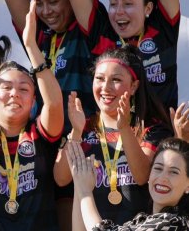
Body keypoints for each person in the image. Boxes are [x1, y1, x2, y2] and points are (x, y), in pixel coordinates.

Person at [0, 0, 64, 230]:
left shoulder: (39, 136)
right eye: (6, 88)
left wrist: (31, 46)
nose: (14, 93)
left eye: (24, 89)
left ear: (34, 100)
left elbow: (55, 104)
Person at [43, 0, 181, 112]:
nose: (119, 11)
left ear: (148, 8)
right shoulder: (100, 30)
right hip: (107, 135)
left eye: (128, 4)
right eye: (113, 4)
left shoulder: (162, 28)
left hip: (157, 134)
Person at [54, 45, 173, 224]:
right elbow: (61, 178)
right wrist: (76, 132)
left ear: (133, 86)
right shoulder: (84, 127)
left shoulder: (151, 129)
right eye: (99, 79)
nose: (106, 88)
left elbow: (142, 176)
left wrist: (124, 127)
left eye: (116, 80)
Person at [1, 0, 98, 134]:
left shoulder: (88, 27)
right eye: (39, 3)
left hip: (86, 139)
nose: (46, 11)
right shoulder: (39, 34)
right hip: (47, 141)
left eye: (53, 1)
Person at [67, 138, 189, 230]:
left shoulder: (174, 224)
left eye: (173, 172)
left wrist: (85, 193)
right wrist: (79, 183)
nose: (162, 177)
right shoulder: (140, 221)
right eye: (158, 168)